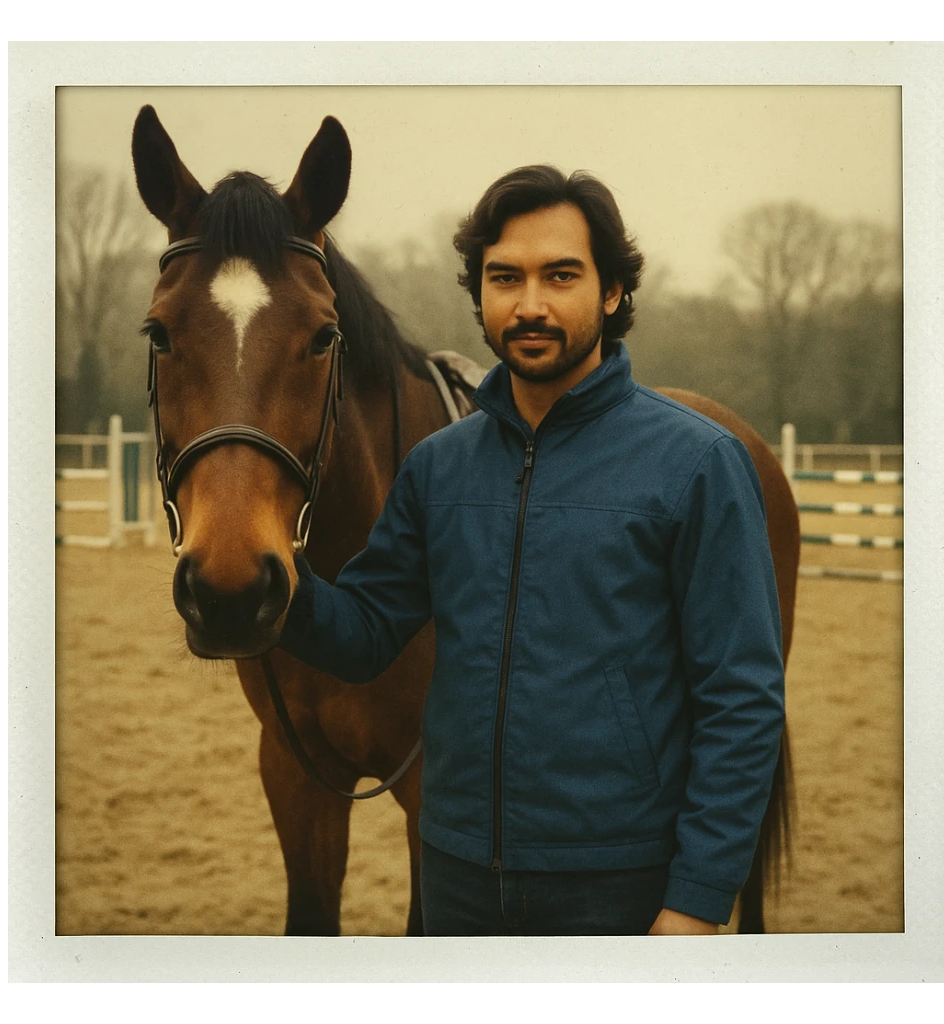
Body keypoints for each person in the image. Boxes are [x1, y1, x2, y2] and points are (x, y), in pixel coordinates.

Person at [279, 165, 786, 936]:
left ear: (612, 292)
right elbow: (366, 631)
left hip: (620, 883)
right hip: (455, 876)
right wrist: (275, 579)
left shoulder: (699, 463)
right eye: (505, 278)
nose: (531, 304)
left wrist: (695, 900)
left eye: (561, 275)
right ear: (479, 294)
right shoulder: (438, 467)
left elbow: (742, 698)